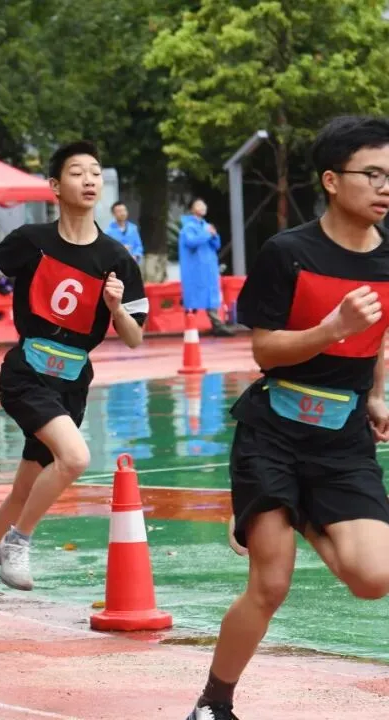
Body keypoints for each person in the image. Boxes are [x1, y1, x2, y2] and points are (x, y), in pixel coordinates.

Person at [185, 116, 389, 720]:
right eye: (371, 174)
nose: (384, 187)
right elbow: (265, 350)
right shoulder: (288, 253)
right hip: (272, 431)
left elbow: (382, 337)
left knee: (373, 578)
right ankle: (213, 704)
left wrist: (378, 394)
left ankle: (295, 510)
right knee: (271, 585)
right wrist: (331, 331)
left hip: (344, 438)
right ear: (332, 180)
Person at [0, 140, 148, 629]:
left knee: (24, 487)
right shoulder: (31, 239)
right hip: (27, 371)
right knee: (76, 457)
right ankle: (19, 542)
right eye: (77, 173)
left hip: (73, 380)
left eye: (96, 173)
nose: (89, 181)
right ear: (56, 186)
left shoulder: (116, 257)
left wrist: (116, 308)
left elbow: (134, 337)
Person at [179, 198, 233, 337]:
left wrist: (214, 236)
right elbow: (191, 242)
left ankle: (217, 325)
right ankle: (190, 326)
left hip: (209, 268)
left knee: (211, 296)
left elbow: (216, 245)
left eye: (204, 204)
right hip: (194, 269)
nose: (202, 207)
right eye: (198, 205)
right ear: (192, 209)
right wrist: (208, 234)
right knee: (193, 297)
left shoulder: (207, 226)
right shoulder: (188, 227)